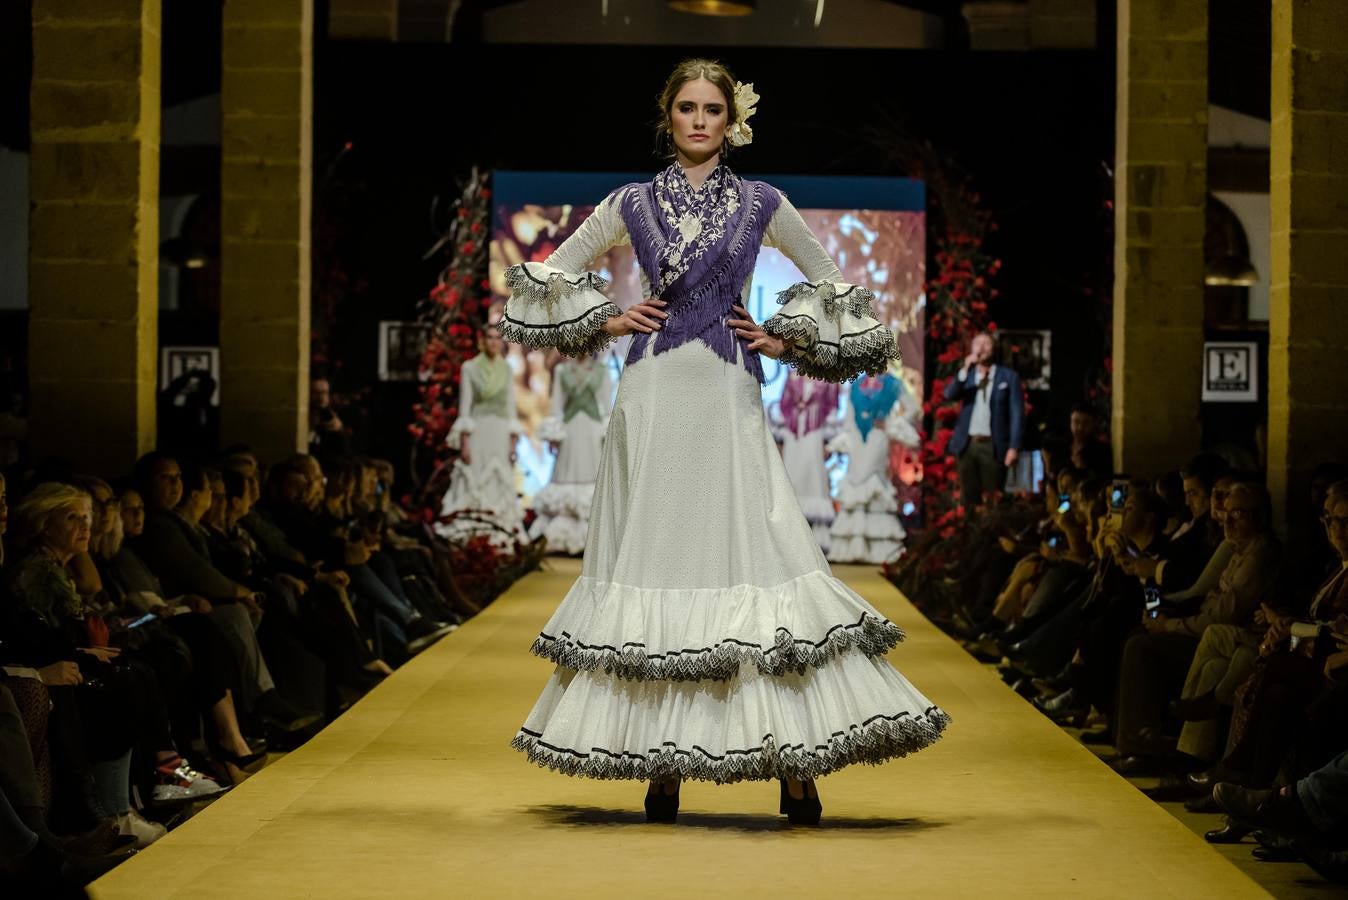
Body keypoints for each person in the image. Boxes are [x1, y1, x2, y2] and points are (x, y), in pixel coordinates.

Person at [497, 58, 949, 825]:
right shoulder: (630, 201)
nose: (700, 119)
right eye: (687, 107)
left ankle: (793, 763)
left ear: (731, 118)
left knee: (756, 549)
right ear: (667, 116)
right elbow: (542, 279)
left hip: (727, 391)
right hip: (652, 394)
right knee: (660, 557)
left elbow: (834, 284)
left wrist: (784, 340)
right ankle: (663, 760)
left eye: (712, 107)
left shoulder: (764, 201)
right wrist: (609, 319)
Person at [440, 325, 525, 545]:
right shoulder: (469, 368)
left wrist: (513, 443)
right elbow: (465, 407)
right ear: (482, 341)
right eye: (490, 337)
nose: (494, 342)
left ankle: (499, 535)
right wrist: (465, 442)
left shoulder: (506, 368)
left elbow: (510, 406)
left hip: (500, 432)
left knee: (498, 477)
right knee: (475, 476)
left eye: (498, 338)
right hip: (478, 431)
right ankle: (473, 534)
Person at [827, 371, 918, 564]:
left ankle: (877, 549)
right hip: (857, 440)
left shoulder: (893, 383)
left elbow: (912, 407)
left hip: (878, 437)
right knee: (855, 482)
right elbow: (849, 416)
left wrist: (893, 423)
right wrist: (848, 437)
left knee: (873, 481)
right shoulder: (856, 383)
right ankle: (853, 547)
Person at [530, 353, 614, 555]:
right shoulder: (562, 371)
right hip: (570, 433)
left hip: (593, 433)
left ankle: (594, 542)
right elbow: (557, 406)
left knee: (593, 476)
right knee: (566, 475)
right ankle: (561, 539)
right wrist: (554, 434)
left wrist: (608, 434)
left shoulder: (603, 371)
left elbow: (606, 406)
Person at [943, 331, 1024, 512]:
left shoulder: (1008, 377)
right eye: (977, 343)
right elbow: (949, 395)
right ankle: (970, 535)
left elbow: (1017, 413)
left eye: (986, 343)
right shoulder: (968, 376)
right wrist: (964, 370)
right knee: (969, 501)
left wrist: (1014, 447)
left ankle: (992, 537)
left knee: (993, 500)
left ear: (993, 348)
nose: (981, 347)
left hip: (993, 445)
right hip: (968, 444)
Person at [770, 371, 841, 554]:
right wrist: (780, 439)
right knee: (791, 480)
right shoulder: (793, 375)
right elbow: (784, 404)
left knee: (813, 480)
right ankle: (787, 543)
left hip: (814, 436)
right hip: (793, 436)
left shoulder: (828, 378)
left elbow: (831, 408)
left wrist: (828, 442)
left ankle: (816, 544)